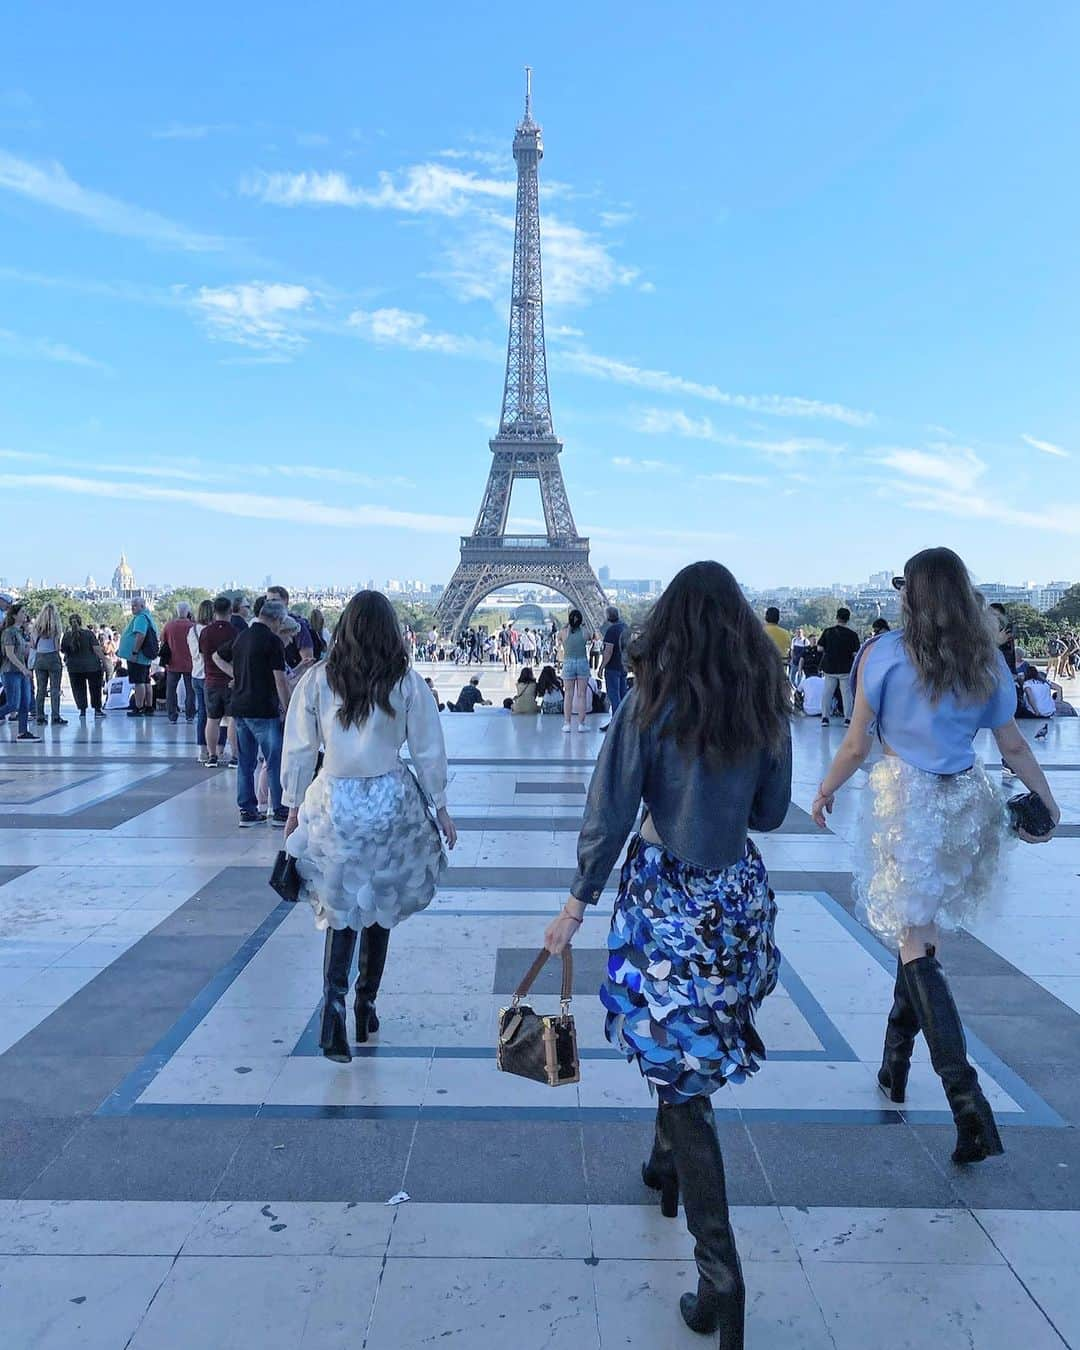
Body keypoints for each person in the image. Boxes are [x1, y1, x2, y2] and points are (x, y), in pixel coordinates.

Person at [544, 561, 791, 1343]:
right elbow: (773, 813)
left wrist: (577, 900)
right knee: (680, 1044)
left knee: (676, 1068)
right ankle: (661, 1169)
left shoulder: (649, 700)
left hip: (666, 904)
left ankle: (722, 1276)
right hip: (734, 902)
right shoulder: (764, 701)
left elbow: (610, 808)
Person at [812, 547, 1060, 1166]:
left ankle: (967, 1100)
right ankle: (894, 1062)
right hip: (963, 806)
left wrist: (824, 791)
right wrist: (1048, 803)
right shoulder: (986, 661)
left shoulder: (883, 655)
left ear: (910, 595)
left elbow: (854, 743)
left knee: (915, 942)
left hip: (906, 808)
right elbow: (1014, 748)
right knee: (919, 940)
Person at [282, 590, 458, 1063]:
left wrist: (293, 804)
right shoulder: (404, 682)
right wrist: (440, 806)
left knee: (341, 912)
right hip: (388, 802)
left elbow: (299, 750)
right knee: (380, 907)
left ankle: (333, 1008)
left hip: (335, 801)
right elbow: (427, 749)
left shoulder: (318, 680)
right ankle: (367, 1004)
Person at [212, 597, 292, 827]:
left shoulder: (242, 636)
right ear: (276, 619)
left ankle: (247, 810)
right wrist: (287, 709)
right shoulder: (272, 641)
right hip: (263, 708)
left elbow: (217, 656)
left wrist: (235, 674)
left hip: (240, 707)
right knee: (274, 760)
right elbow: (280, 680)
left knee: (246, 762)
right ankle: (279, 810)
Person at [199, 595, 236, 767]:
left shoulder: (205, 632)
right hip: (230, 681)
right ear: (230, 611)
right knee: (232, 719)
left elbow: (202, 655)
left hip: (211, 680)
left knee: (212, 719)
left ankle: (212, 755)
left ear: (214, 612)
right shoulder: (234, 631)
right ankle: (234, 756)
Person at [1, 602, 39, 741]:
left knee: (25, 702)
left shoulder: (21, 632)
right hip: (11, 671)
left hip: (23, 672)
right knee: (13, 704)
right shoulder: (9, 632)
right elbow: (10, 654)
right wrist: (23, 669)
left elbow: (25, 652)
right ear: (15, 615)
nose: (25, 615)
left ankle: (23, 732)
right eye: (22, 612)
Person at [817, 606, 860, 727]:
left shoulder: (828, 632)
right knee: (846, 694)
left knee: (827, 693)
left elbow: (819, 648)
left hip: (830, 668)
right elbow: (855, 653)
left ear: (837, 617)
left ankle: (825, 717)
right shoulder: (852, 635)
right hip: (845, 669)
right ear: (848, 619)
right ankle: (848, 718)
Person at [117, 598, 158, 716]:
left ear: (142, 606)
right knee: (146, 681)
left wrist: (134, 652)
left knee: (139, 682)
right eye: (132, 605)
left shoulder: (140, 618)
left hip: (138, 656)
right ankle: (149, 706)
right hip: (144, 657)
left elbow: (140, 635)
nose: (132, 607)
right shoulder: (147, 617)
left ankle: (139, 707)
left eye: (135, 605)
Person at [61, 614, 106, 719]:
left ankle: (82, 710)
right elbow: (96, 649)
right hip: (92, 666)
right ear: (81, 622)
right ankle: (97, 710)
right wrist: (104, 660)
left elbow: (63, 650)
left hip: (74, 667)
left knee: (78, 689)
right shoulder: (89, 634)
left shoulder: (67, 635)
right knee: (95, 689)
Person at [31, 602, 67, 726]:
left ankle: (40, 716)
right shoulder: (56, 627)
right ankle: (55, 716)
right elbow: (57, 647)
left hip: (39, 658)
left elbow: (33, 645)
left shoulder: (36, 627)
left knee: (40, 689)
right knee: (55, 689)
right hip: (52, 657)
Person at [187, 599, 213, 763]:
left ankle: (202, 749)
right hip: (208, 674)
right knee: (213, 714)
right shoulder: (210, 631)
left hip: (196, 673)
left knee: (202, 713)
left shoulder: (192, 631)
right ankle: (214, 748)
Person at [162, 601, 196, 724]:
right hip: (190, 663)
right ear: (188, 612)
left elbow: (163, 641)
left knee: (171, 690)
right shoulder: (193, 626)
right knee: (190, 691)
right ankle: (190, 715)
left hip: (172, 662)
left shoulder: (169, 626)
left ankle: (172, 715)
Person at [560, 608, 592, 734]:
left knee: (568, 695)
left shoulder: (563, 632)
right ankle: (581, 724)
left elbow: (560, 638)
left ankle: (567, 724)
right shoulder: (584, 632)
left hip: (568, 662)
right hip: (582, 662)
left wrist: (568, 625)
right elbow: (591, 637)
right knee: (581, 695)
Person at [597, 605, 630, 728]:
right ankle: (624, 723)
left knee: (614, 696)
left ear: (608, 616)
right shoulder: (625, 627)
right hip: (623, 666)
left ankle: (616, 724)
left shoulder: (611, 630)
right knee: (622, 695)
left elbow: (608, 651)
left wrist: (601, 667)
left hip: (612, 667)